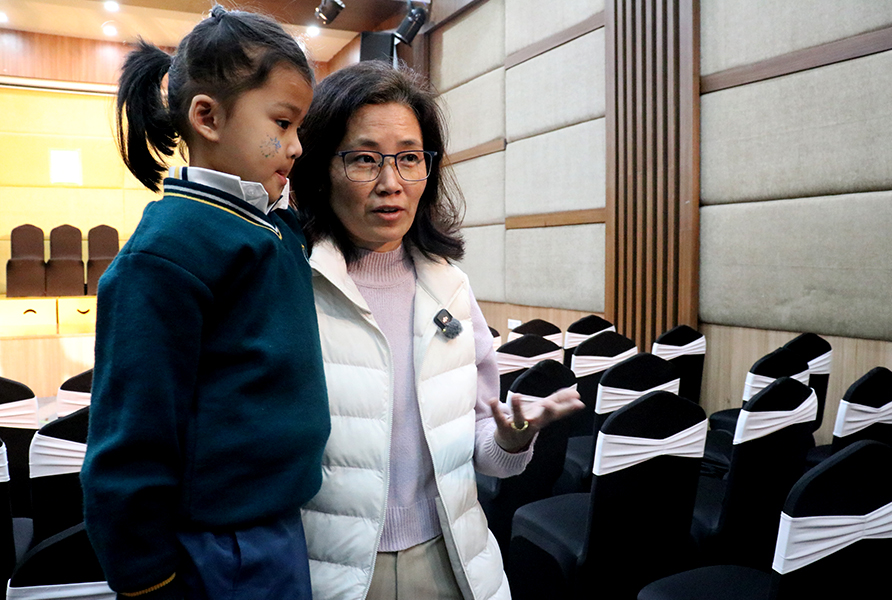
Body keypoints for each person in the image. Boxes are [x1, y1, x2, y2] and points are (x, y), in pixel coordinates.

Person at [291, 61, 584, 600]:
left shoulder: (450, 287)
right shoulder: (291, 284)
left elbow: (485, 447)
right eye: (364, 159)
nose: (391, 184)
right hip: (329, 569)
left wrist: (512, 438)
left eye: (409, 158)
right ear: (320, 167)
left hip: (450, 558)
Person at [81, 6, 329, 600]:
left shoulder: (264, 224)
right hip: (215, 550)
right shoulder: (168, 251)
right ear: (207, 117)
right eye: (283, 123)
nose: (296, 147)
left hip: (275, 528)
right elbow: (131, 432)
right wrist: (147, 578)